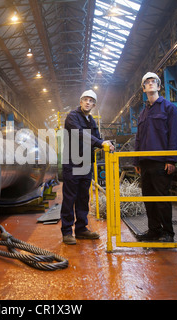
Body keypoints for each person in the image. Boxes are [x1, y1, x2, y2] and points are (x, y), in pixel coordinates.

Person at [61, 90, 114, 245]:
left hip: (86, 163)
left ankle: (81, 229)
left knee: (84, 197)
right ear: (80, 101)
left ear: (94, 104)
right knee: (70, 198)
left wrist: (107, 143)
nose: (87, 102)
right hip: (72, 163)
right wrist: (100, 143)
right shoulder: (72, 117)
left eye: (91, 101)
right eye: (85, 99)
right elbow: (79, 134)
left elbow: (97, 138)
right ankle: (66, 231)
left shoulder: (91, 120)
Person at [134, 72, 177, 242]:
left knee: (162, 198)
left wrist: (171, 159)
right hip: (145, 162)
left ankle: (168, 232)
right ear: (144, 88)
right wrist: (136, 161)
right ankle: (154, 230)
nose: (151, 83)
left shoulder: (169, 108)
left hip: (161, 162)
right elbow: (138, 138)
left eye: (154, 81)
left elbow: (174, 134)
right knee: (148, 198)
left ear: (159, 86)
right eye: (147, 82)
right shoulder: (143, 113)